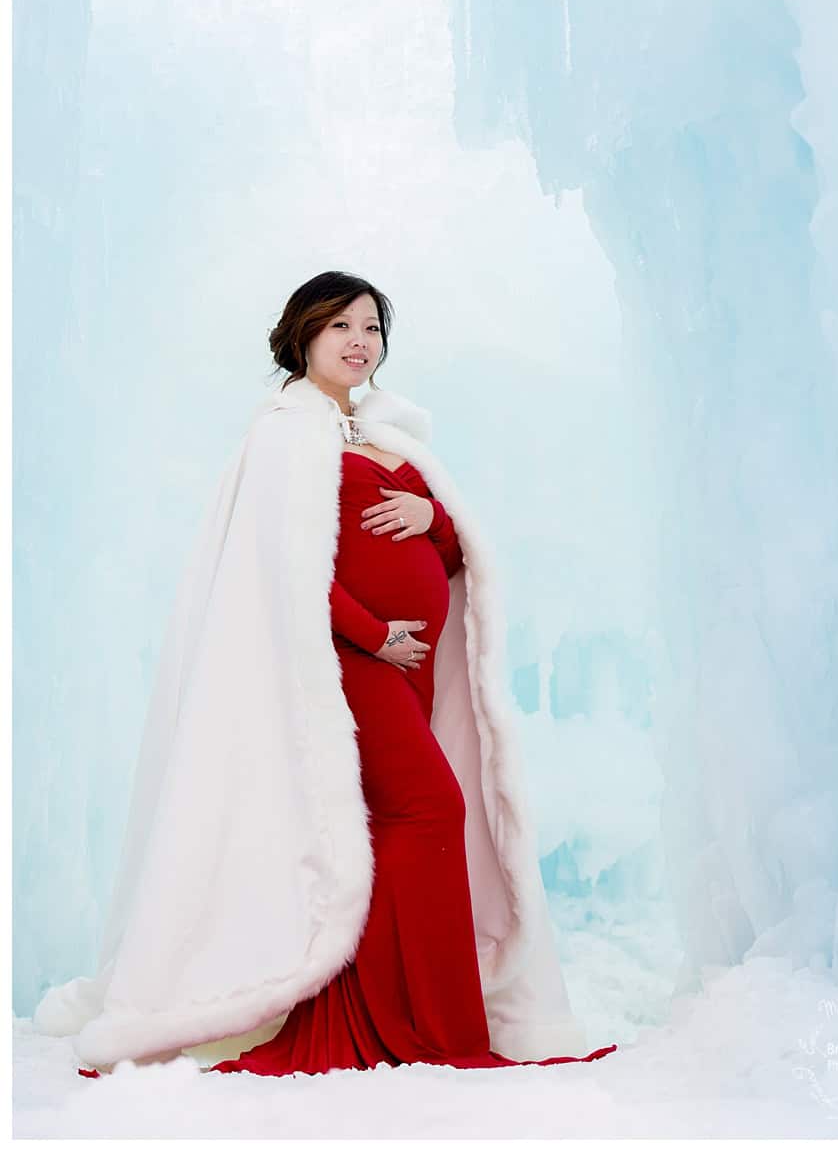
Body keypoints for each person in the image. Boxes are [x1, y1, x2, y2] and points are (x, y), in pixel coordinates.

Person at [36, 270, 617, 1077]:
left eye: (372, 327)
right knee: (429, 807)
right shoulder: (284, 432)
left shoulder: (389, 435)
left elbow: (452, 556)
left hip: (409, 676)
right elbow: (283, 563)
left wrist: (433, 517)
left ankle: (388, 1012)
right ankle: (419, 1027)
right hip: (346, 668)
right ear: (303, 334)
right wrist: (375, 634)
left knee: (390, 830)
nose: (358, 341)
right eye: (340, 324)